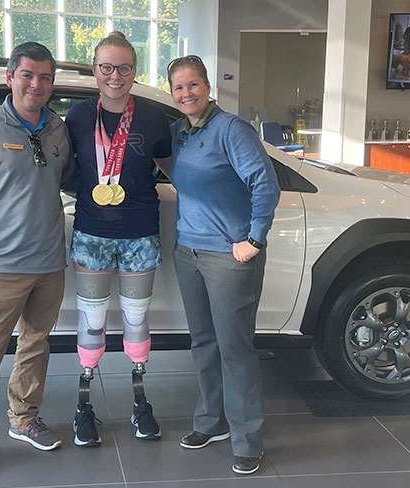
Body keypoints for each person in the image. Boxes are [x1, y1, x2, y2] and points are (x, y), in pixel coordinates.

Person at [0, 42, 79, 479]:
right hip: (2, 265)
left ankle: (24, 418)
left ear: (52, 84)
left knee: (36, 343)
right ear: (10, 78)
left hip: (49, 262)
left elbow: (76, 183)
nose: (36, 84)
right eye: (27, 75)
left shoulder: (59, 130)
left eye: (45, 77)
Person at [167, 55, 280, 475]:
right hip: (188, 253)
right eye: (179, 88)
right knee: (204, 343)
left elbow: (264, 184)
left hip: (229, 257)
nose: (186, 94)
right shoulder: (179, 132)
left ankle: (247, 439)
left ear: (208, 86)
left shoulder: (232, 129)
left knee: (235, 349)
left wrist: (254, 239)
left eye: (193, 85)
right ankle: (210, 422)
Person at [64, 31, 173, 447]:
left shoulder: (151, 117)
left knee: (136, 319)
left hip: (140, 231)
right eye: (106, 67)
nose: (115, 76)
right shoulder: (76, 117)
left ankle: (140, 403)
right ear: (94, 70)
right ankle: (83, 407)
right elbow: (58, 169)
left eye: (123, 68)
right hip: (92, 232)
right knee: (92, 322)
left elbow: (174, 168)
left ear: (134, 72)